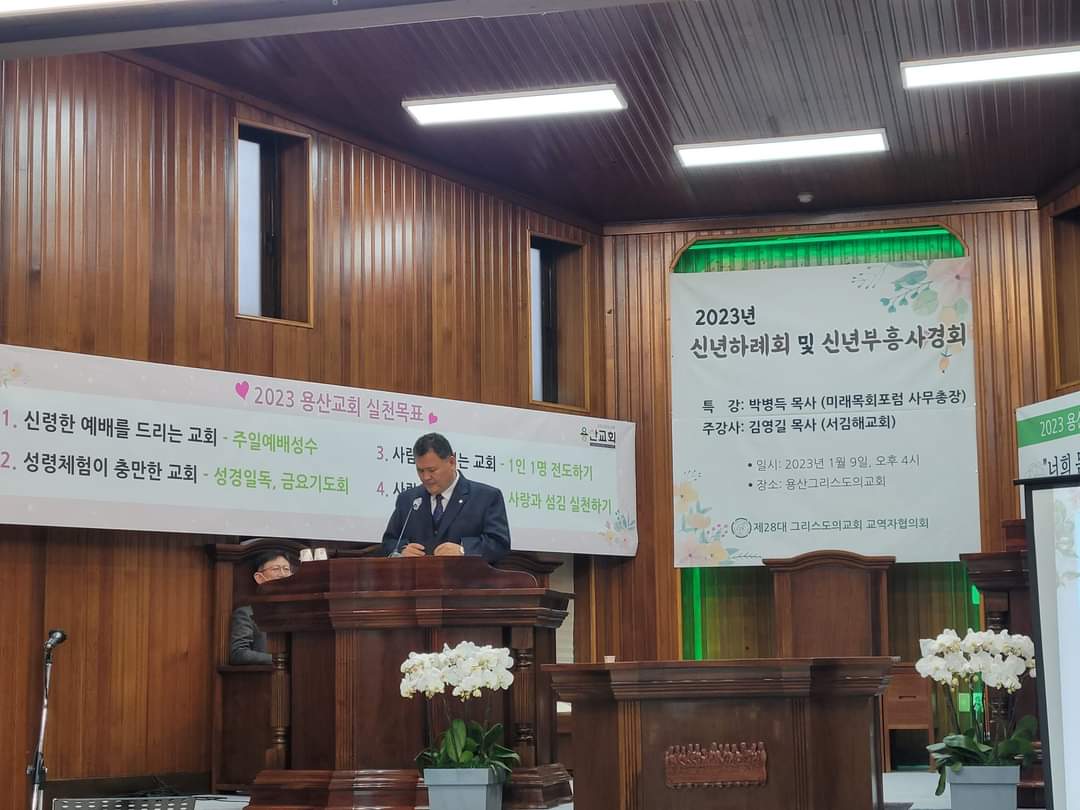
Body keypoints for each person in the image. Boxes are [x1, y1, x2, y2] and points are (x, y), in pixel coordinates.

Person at [381, 432, 511, 563]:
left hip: (465, 575)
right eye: (420, 470)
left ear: (452, 462)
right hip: (418, 575)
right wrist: (401, 551)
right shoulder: (408, 499)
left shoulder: (486, 497)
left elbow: (499, 544)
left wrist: (463, 550)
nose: (426, 477)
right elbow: (389, 541)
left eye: (432, 470)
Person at [229, 550, 295, 665]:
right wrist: (280, 660)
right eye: (276, 569)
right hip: (267, 674)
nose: (283, 574)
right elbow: (238, 654)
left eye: (286, 569)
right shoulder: (246, 613)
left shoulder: (298, 611)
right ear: (259, 578)